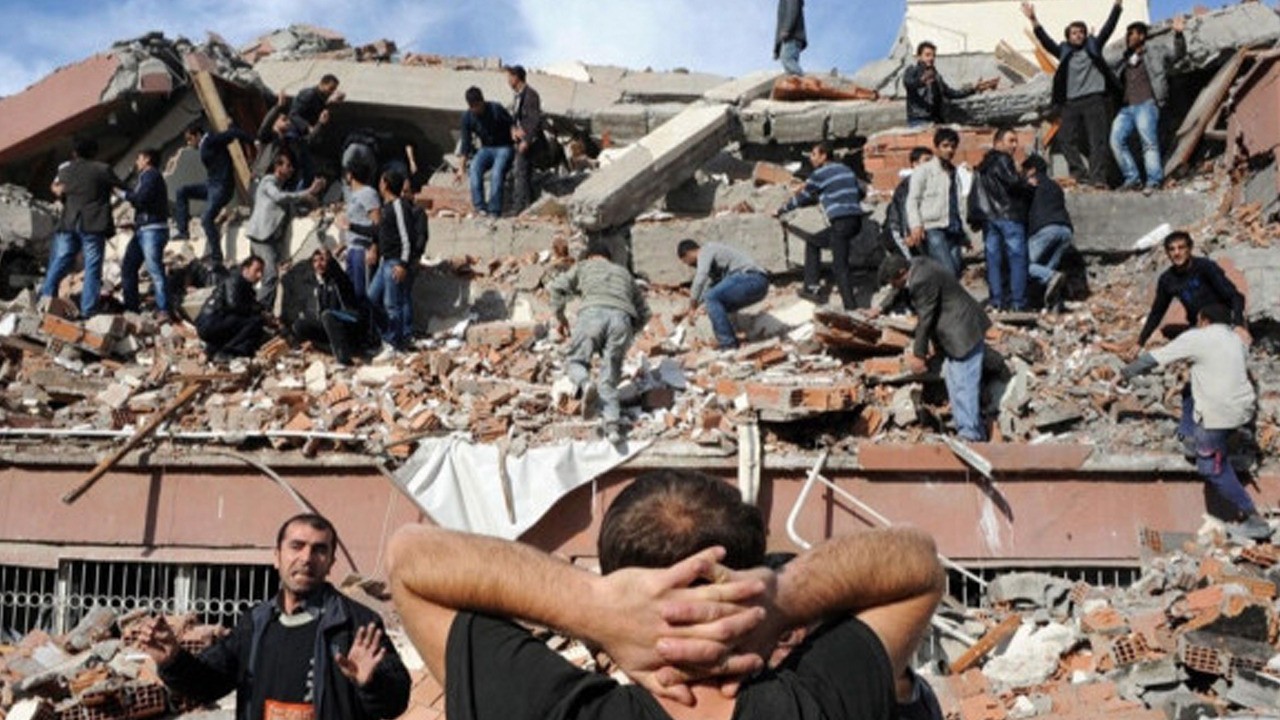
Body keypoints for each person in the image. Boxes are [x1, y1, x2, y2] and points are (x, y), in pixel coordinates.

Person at [385, 468, 944, 720]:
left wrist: (593, 605)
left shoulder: (549, 708)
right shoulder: (817, 706)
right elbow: (918, 565)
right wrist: (782, 595)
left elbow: (410, 561)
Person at [137, 513, 412, 720]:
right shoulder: (255, 623)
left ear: (331, 564)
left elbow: (395, 703)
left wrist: (371, 682)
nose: (307, 558)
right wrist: (173, 661)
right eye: (297, 546)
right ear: (277, 557)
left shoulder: (357, 625)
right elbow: (209, 684)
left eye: (319, 550)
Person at [1121, 305, 1271, 540]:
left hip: (1218, 415)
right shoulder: (1235, 340)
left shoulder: (1197, 337)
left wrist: (1125, 372)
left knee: (1212, 468)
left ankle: (1253, 518)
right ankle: (1189, 437)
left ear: (1203, 320)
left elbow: (1157, 358)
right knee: (1190, 390)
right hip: (1243, 411)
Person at [878, 254, 992, 441]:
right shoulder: (915, 264)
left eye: (893, 281)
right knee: (955, 384)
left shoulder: (922, 279)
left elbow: (925, 319)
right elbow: (898, 290)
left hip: (963, 333)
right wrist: (881, 308)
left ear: (902, 272)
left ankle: (970, 435)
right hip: (957, 332)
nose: (893, 287)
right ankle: (972, 431)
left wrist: (919, 355)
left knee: (964, 385)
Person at [548, 240, 651, 444]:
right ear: (608, 258)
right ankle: (612, 427)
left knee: (576, 362)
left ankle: (586, 384)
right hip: (622, 319)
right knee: (610, 374)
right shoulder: (624, 273)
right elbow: (645, 312)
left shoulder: (584, 266)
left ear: (590, 256)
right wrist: (631, 331)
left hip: (591, 315)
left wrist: (561, 319)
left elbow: (557, 287)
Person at [1023, 0, 1123, 188]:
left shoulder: (1093, 46)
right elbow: (1046, 42)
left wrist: (1117, 6)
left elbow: (1109, 27)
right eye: (1074, 33)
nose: (1078, 35)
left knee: (1098, 140)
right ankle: (1079, 172)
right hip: (1071, 102)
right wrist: (1034, 20)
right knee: (1065, 138)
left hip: (1095, 99)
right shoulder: (1064, 51)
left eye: (1081, 32)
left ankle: (1098, 178)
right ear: (1068, 37)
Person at [775, 142, 873, 309]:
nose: (811, 159)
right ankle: (811, 287)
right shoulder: (846, 170)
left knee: (839, 267)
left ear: (823, 156)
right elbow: (861, 191)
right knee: (813, 242)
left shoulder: (820, 174)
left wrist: (781, 210)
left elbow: (803, 197)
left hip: (841, 222)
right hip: (855, 221)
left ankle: (851, 308)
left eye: (814, 155)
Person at [39, 139, 125, 319]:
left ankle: (46, 300)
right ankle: (88, 310)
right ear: (95, 153)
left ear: (74, 154)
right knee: (93, 266)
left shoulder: (65, 170)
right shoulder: (102, 169)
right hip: (93, 224)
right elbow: (121, 189)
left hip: (69, 221)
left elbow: (57, 189)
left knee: (60, 260)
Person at [1132, 231, 1249, 354]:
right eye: (1172, 249)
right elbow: (1157, 312)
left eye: (1181, 248)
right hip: (1198, 325)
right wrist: (1140, 342)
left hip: (1223, 320)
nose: (1177, 253)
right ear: (1167, 253)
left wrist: (1238, 325)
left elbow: (1235, 296)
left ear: (1190, 249)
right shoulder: (1167, 280)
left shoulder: (1205, 267)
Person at [1110, 16, 1187, 192]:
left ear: (1142, 36)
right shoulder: (1124, 59)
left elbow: (1178, 54)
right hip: (1127, 108)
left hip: (1147, 104)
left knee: (1149, 143)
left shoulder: (1155, 51)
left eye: (1132, 34)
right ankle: (1132, 178)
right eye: (1127, 34)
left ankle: (1154, 181)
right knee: (1116, 139)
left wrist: (1178, 34)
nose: (1128, 38)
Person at [245, 152, 326, 310]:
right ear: (277, 167)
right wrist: (307, 191)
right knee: (270, 276)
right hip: (262, 238)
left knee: (261, 276)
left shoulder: (281, 188)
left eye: (291, 166)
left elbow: (289, 206)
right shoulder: (268, 181)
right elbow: (279, 197)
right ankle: (259, 310)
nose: (291, 169)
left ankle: (256, 309)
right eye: (287, 165)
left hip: (268, 239)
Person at [173, 122, 253, 266]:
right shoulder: (207, 143)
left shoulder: (210, 139)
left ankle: (217, 257)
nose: (189, 144)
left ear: (197, 135)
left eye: (190, 139)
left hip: (221, 187)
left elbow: (232, 134)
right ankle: (183, 231)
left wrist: (253, 143)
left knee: (206, 219)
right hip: (212, 185)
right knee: (181, 191)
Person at [970, 128, 1032, 311]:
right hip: (1009, 216)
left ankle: (996, 300)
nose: (1015, 145)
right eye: (1011, 141)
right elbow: (1013, 183)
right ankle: (1018, 302)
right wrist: (1028, 183)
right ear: (998, 143)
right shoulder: (1003, 159)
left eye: (1016, 141)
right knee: (1017, 259)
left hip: (989, 218)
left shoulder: (983, 165)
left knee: (993, 260)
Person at [677, 240, 769, 350]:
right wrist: (701, 306)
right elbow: (709, 288)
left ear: (689, 253)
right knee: (718, 304)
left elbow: (700, 278)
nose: (689, 265)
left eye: (687, 261)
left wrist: (692, 306)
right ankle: (735, 339)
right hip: (759, 286)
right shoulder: (716, 267)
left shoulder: (706, 250)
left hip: (752, 278)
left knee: (711, 297)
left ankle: (728, 345)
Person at [367, 168, 420, 358]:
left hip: (395, 262)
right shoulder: (386, 208)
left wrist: (403, 264)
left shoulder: (399, 206)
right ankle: (388, 338)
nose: (379, 185)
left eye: (381, 181)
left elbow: (408, 237)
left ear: (386, 184)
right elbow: (379, 234)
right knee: (371, 299)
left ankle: (394, 345)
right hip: (385, 262)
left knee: (392, 305)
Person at [906, 128, 967, 278]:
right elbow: (913, 199)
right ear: (937, 148)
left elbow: (958, 202)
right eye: (945, 146)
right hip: (933, 227)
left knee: (956, 270)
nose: (949, 150)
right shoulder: (924, 171)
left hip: (953, 227)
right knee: (949, 272)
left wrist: (965, 232)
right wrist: (915, 225)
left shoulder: (955, 172)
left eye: (953, 146)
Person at [292, 249, 368, 366]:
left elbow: (337, 272)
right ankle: (331, 349)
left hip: (349, 321)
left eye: (322, 260)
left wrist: (330, 259)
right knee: (299, 325)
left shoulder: (338, 280)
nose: (319, 264)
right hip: (331, 326)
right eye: (315, 261)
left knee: (327, 315)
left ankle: (344, 359)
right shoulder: (318, 287)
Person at [120, 148, 172, 317]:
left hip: (152, 230)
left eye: (139, 158)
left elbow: (141, 198)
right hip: (144, 229)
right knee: (128, 266)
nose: (137, 162)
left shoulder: (151, 176)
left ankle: (164, 310)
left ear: (147, 159)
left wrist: (122, 194)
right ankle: (131, 307)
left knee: (155, 270)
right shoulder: (147, 177)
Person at [195, 256, 272, 362]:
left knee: (251, 323)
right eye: (256, 271)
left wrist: (262, 311)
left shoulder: (245, 285)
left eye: (261, 272)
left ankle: (211, 350)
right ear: (246, 269)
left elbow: (250, 305)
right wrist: (258, 312)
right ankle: (227, 352)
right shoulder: (234, 279)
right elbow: (234, 305)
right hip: (210, 322)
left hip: (215, 322)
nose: (259, 275)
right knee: (255, 321)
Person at [1021, 155, 1073, 308]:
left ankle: (1052, 277)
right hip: (1065, 230)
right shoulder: (1055, 186)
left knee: (1021, 265)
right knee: (1043, 272)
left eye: (1024, 171)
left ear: (1032, 170)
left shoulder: (1032, 184)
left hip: (1045, 229)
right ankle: (1054, 306)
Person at [903, 42, 997, 127]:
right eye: (927, 55)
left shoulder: (936, 76)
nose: (931, 58)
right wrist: (922, 81)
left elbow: (950, 93)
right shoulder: (912, 71)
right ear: (919, 57)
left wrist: (973, 89)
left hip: (935, 120)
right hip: (919, 120)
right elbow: (909, 84)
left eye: (933, 55)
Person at [457, 87, 515, 217]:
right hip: (486, 148)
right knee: (474, 168)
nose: (476, 109)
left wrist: (514, 132)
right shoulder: (467, 117)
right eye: (472, 107)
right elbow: (465, 144)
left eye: (477, 106)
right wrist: (461, 168)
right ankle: (480, 207)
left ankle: (494, 209)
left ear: (482, 101)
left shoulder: (496, 109)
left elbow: (512, 123)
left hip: (504, 147)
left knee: (497, 172)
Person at [289, 74, 344, 188]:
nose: (331, 91)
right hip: (295, 137)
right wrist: (307, 127)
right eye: (331, 88)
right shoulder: (309, 95)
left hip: (306, 139)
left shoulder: (320, 96)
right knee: (300, 168)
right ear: (323, 84)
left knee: (307, 170)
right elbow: (293, 114)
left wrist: (331, 102)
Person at [335, 166, 381, 302]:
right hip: (351, 249)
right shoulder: (353, 196)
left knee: (363, 295)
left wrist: (373, 248)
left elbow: (377, 222)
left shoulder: (368, 193)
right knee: (352, 294)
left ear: (350, 175)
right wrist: (343, 245)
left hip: (363, 249)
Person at [883, 147, 934, 259]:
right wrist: (908, 234)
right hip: (900, 231)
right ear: (915, 164)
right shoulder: (908, 185)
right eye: (927, 160)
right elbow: (904, 210)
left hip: (919, 230)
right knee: (912, 264)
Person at [507, 65, 544, 214]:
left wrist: (526, 141)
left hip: (528, 143)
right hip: (519, 141)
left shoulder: (531, 95)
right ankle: (528, 205)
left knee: (520, 172)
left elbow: (534, 120)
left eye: (510, 77)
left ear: (516, 77)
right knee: (524, 174)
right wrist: (513, 130)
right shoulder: (517, 96)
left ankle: (519, 206)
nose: (508, 80)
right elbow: (515, 119)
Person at [254, 91, 309, 187]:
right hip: (260, 179)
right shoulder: (268, 137)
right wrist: (278, 107)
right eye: (284, 119)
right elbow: (265, 125)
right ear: (275, 122)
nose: (288, 122)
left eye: (288, 120)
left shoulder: (288, 142)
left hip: (277, 184)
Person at [774, 0, 807, 76]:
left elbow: (793, 10)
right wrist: (777, 48)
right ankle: (799, 84)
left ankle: (804, 83)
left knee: (787, 59)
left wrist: (787, 28)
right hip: (789, 37)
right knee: (790, 72)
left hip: (792, 36)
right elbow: (779, 25)